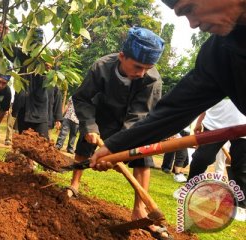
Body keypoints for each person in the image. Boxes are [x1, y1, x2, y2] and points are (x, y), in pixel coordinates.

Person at [90, 0, 246, 229]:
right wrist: (115, 146)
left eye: (190, 8)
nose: (192, 24)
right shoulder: (219, 55)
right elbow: (174, 110)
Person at [70, 27, 166, 237]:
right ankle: (74, 184)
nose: (142, 73)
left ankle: (139, 210)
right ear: (122, 56)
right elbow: (82, 98)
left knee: (143, 156)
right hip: (103, 114)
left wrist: (116, 150)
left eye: (147, 68)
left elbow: (139, 117)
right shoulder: (101, 67)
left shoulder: (152, 80)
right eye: (138, 66)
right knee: (85, 144)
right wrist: (90, 127)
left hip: (136, 123)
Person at [182, 99, 246, 221]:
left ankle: (241, 206)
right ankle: (190, 189)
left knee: (241, 167)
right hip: (215, 122)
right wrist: (199, 121)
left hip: (243, 124)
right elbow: (209, 96)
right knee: (201, 158)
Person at [1, 26, 50, 139]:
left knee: (42, 144)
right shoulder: (21, 54)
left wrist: (49, 69)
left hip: (40, 110)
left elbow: (53, 76)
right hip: (24, 109)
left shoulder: (47, 58)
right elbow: (8, 49)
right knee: (24, 143)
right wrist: (5, 34)